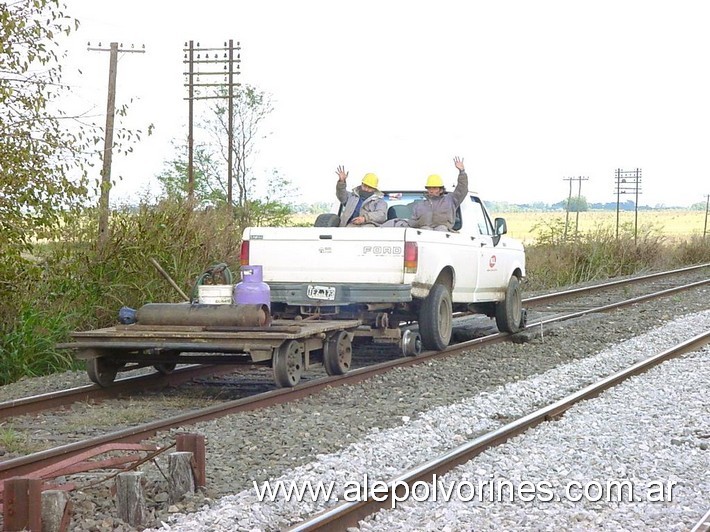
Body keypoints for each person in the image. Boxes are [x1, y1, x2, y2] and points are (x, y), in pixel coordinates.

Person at [383, 156, 468, 231]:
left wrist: (462, 172)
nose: (431, 190)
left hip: (444, 236)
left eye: (434, 188)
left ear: (441, 190)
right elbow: (413, 223)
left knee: (441, 228)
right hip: (422, 236)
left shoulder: (450, 200)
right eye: (429, 188)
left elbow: (462, 189)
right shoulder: (419, 206)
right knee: (425, 229)